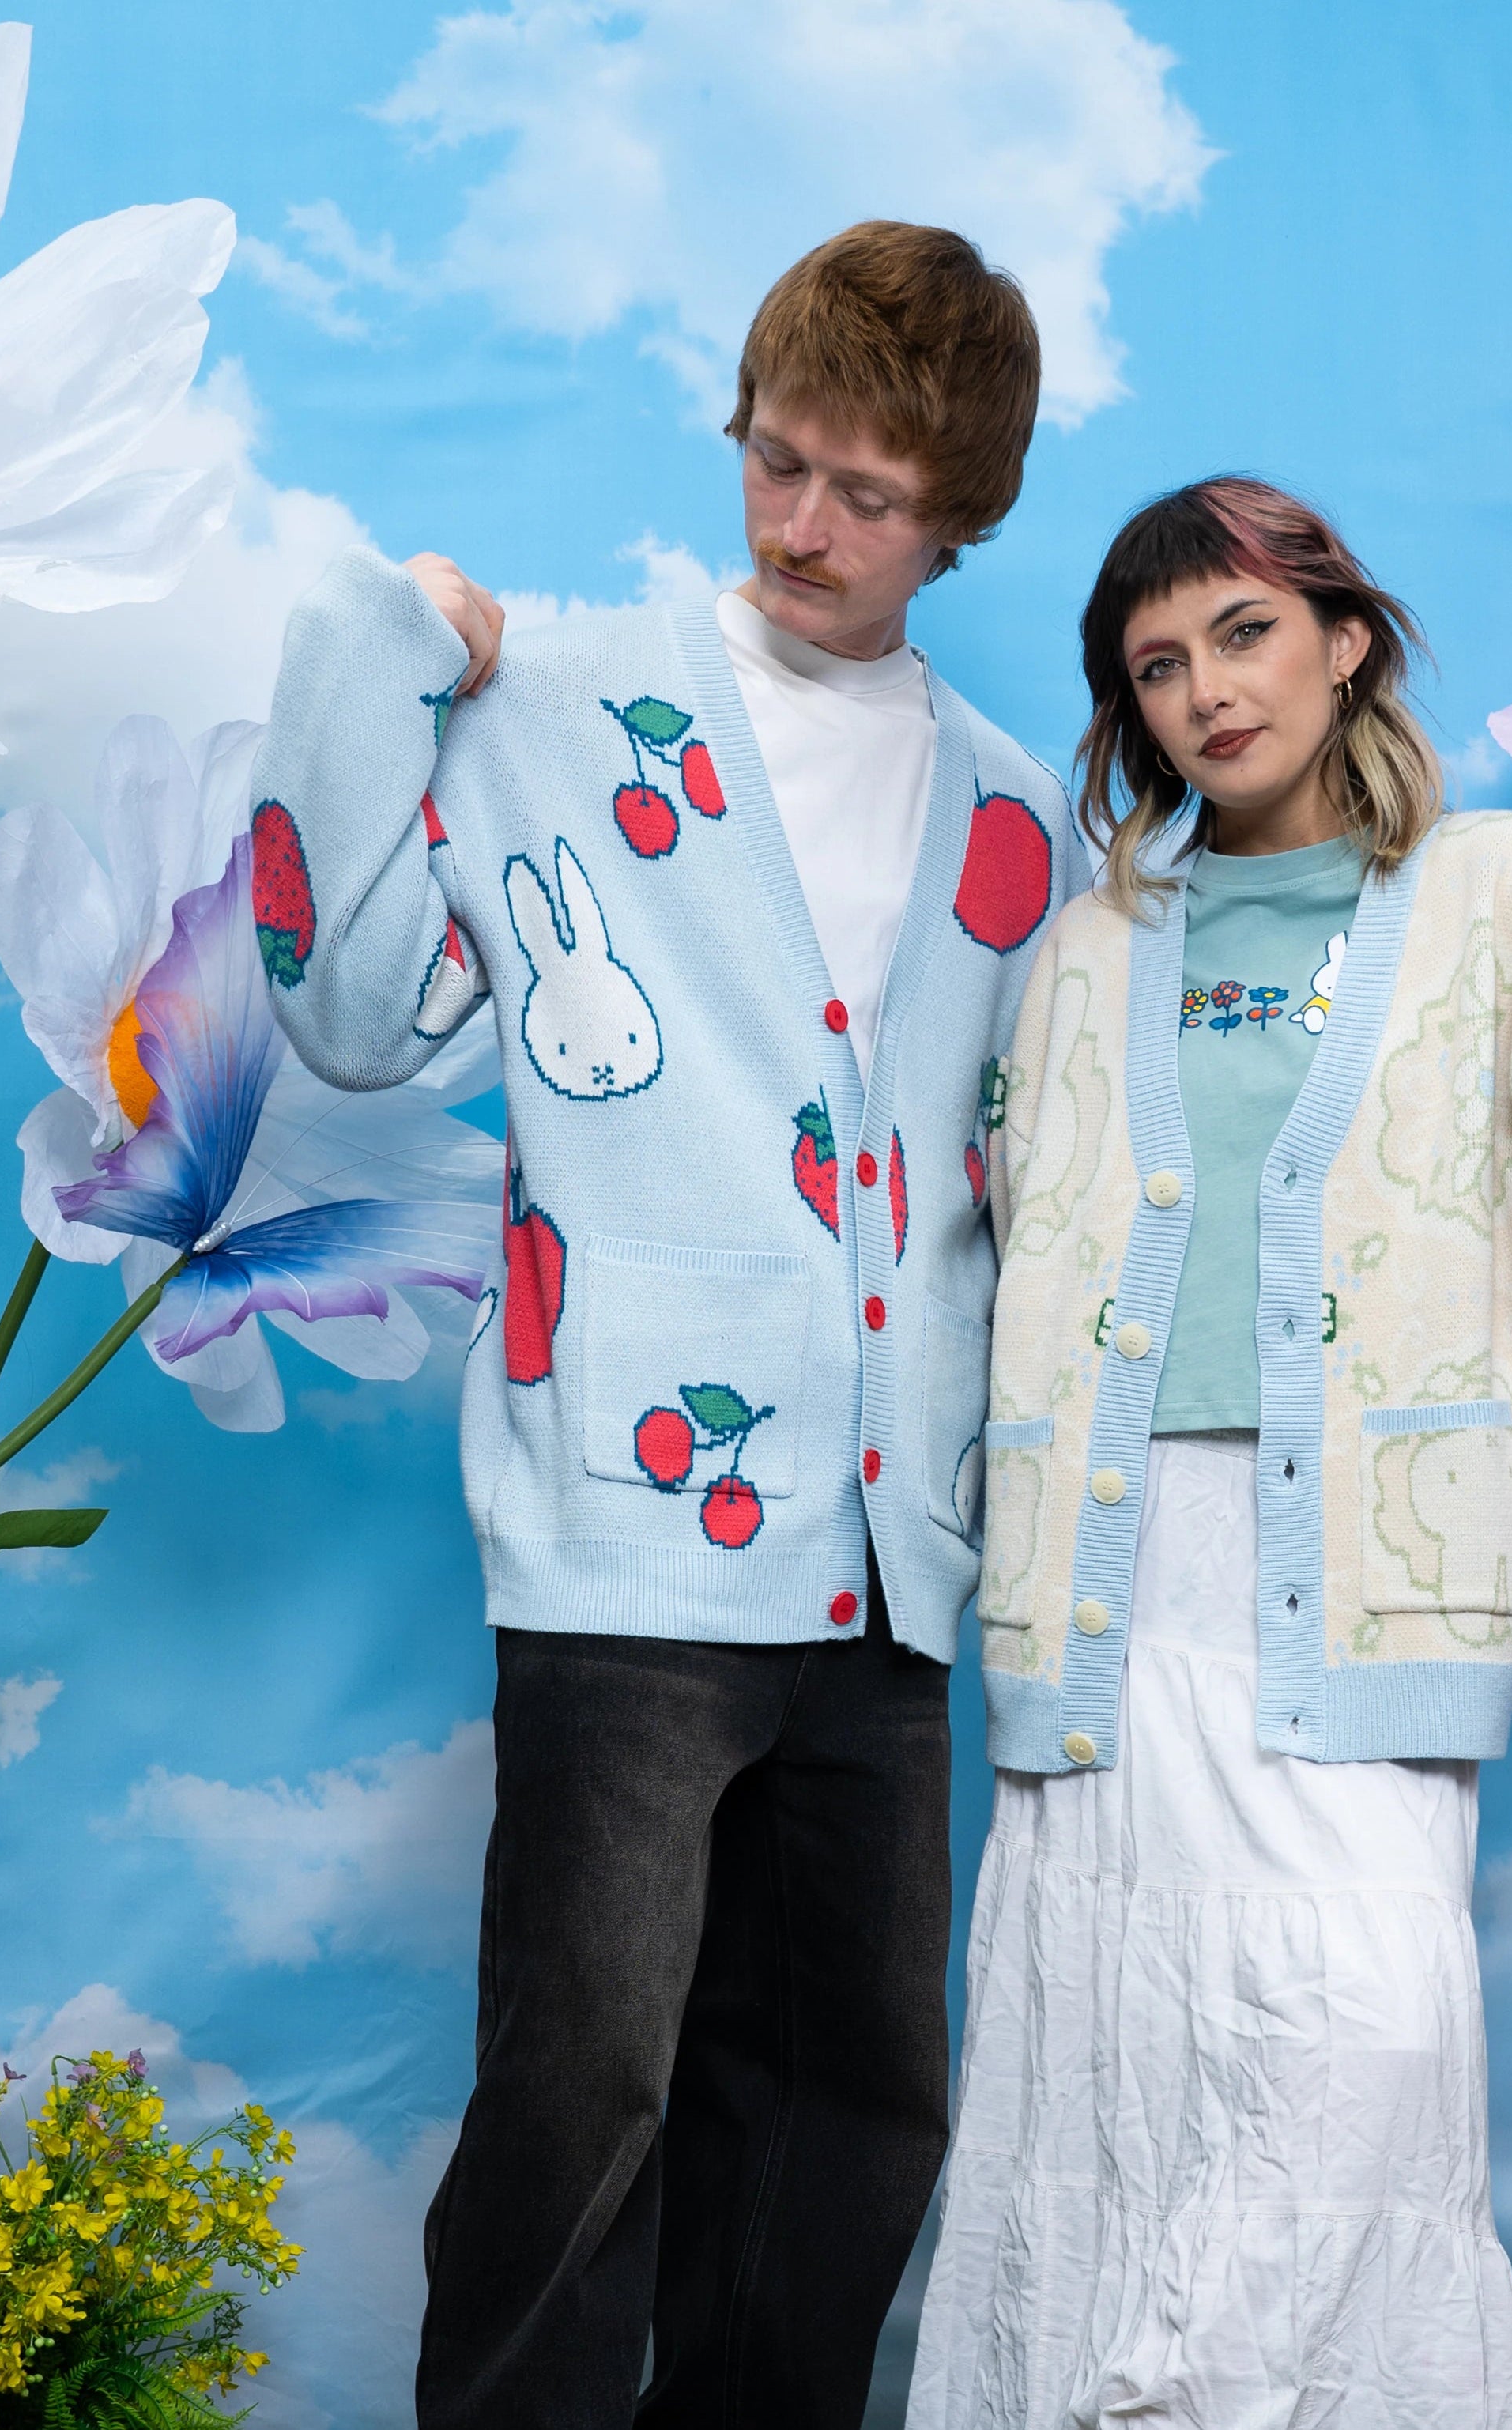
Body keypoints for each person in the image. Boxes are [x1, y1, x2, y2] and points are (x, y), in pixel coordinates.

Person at [251, 221, 1080, 2430]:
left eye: (866, 496)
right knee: (582, 2095)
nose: (801, 525)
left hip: (892, 1556)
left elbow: (1030, 1182)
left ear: (960, 515)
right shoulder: (552, 704)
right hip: (629, 1527)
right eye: (775, 461)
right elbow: (348, 1012)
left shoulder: (1016, 814)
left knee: (849, 2107)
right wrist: (369, 649)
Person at [908, 477, 1512, 2427]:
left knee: (1355, 2041)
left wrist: (1492, 1383)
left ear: (1343, 639)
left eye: (1241, 633)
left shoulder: (1504, 893)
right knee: (1112, 2071)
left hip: (1364, 1572)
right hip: (1108, 1582)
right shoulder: (1088, 948)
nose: (1207, 692)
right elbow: (1018, 1229)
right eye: (1157, 667)